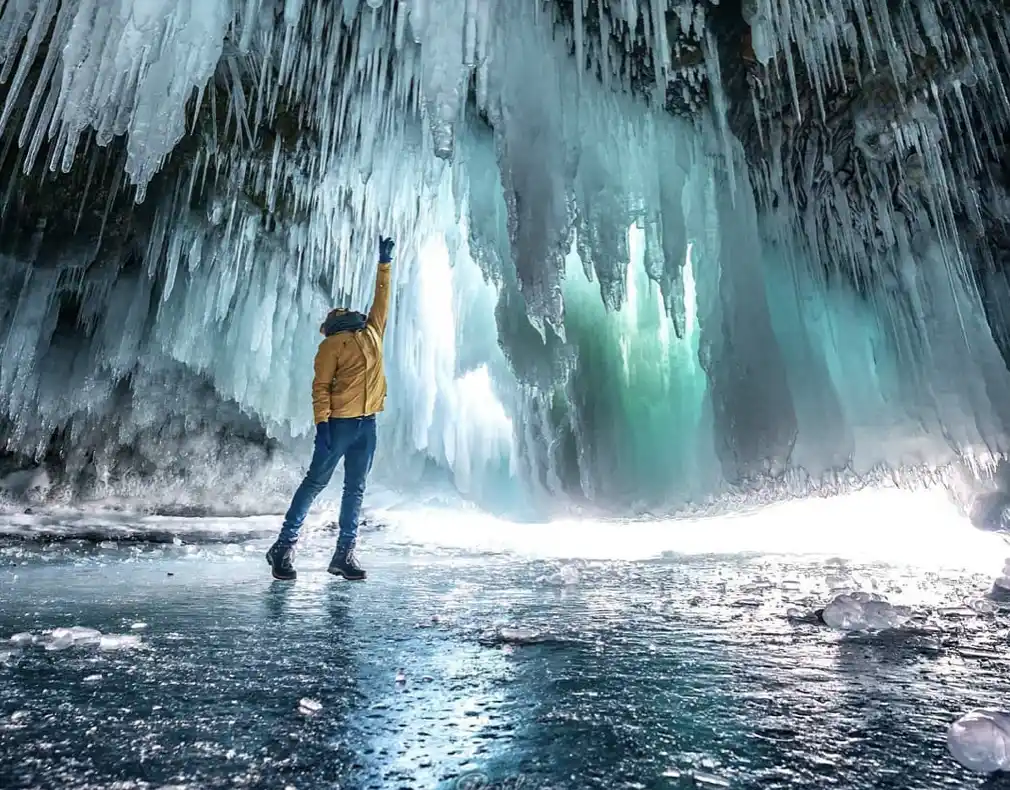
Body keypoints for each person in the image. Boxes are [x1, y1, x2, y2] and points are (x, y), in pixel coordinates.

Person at [266, 236, 395, 582]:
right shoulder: (331, 346)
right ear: (335, 324)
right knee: (315, 483)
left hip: (367, 425)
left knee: (355, 489)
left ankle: (344, 554)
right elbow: (320, 387)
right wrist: (322, 425)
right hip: (340, 425)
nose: (348, 313)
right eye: (342, 314)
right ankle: (283, 547)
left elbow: (382, 302)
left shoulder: (372, 333)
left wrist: (385, 264)